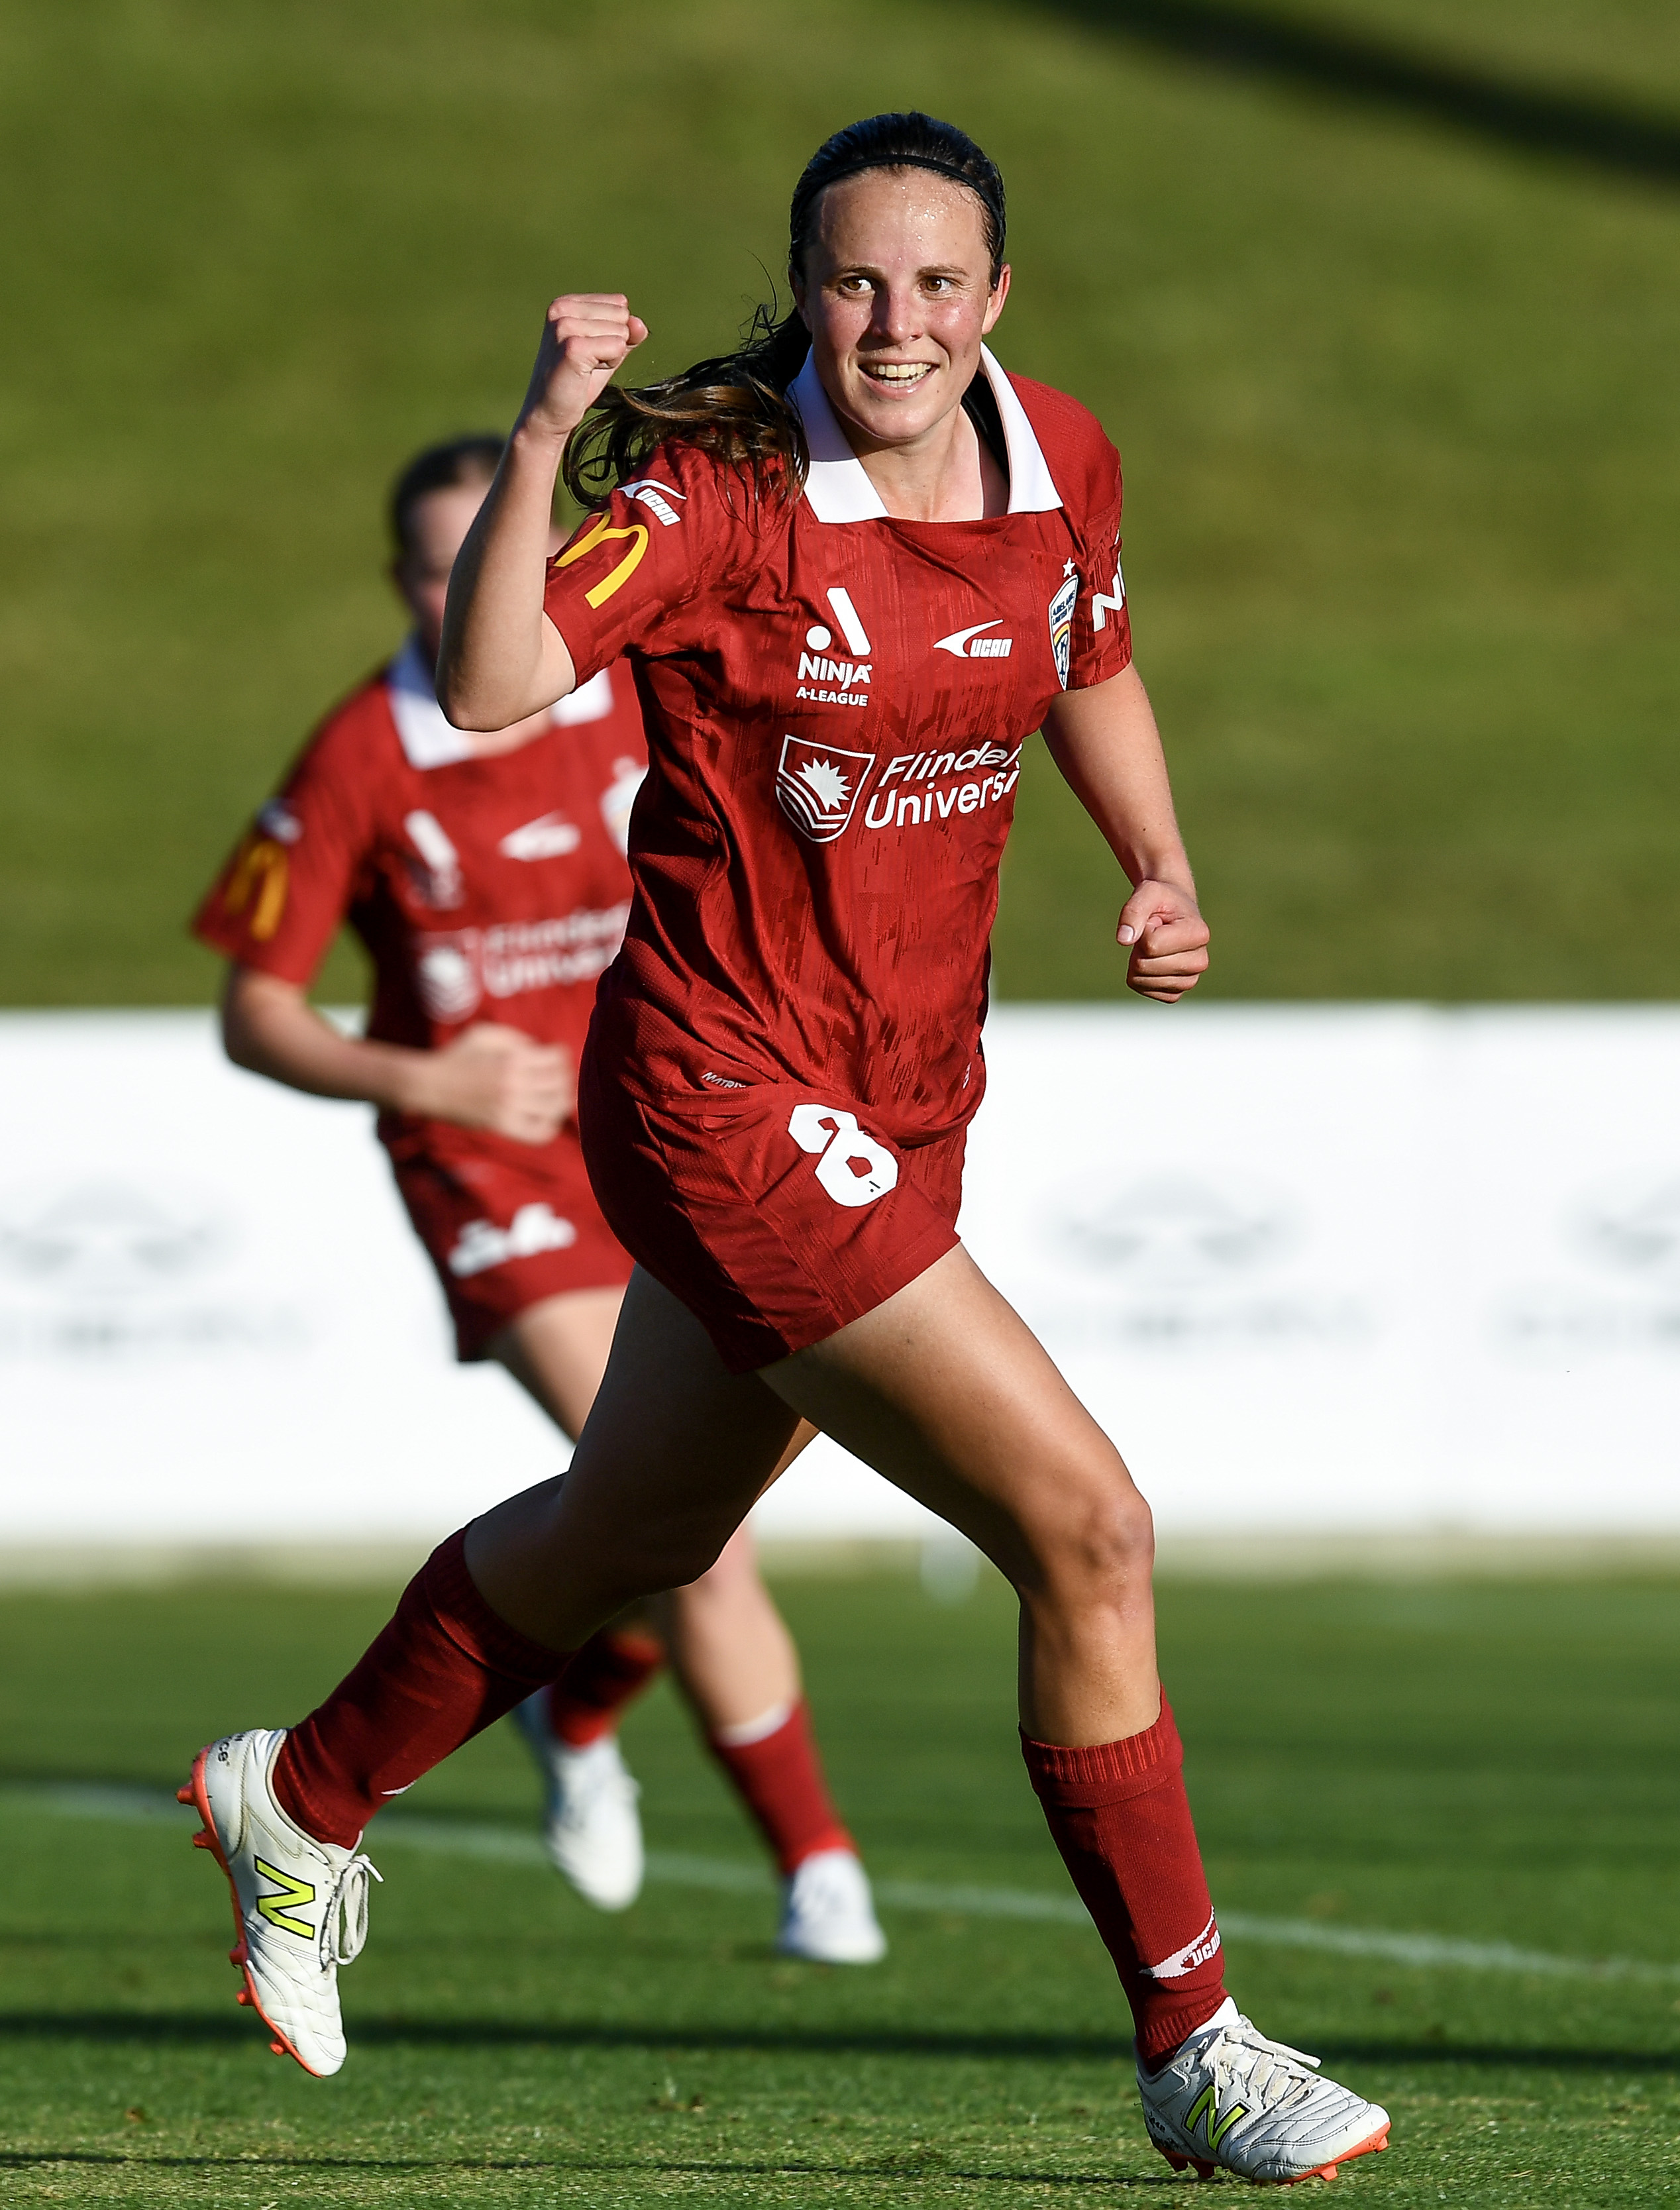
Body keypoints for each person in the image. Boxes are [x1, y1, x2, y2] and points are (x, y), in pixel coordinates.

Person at [180, 113, 1391, 2184]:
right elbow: (489, 678)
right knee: (1089, 1531)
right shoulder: (724, 499)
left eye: (937, 284)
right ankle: (1196, 2045)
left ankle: (300, 1794)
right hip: (719, 1095)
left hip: (904, 1100)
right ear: (807, 290)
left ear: (996, 296)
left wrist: (1162, 863)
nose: (896, 323)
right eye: (855, 282)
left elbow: (1091, 658)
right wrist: (545, 430)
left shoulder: (1062, 458)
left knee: (629, 1533)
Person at [187, 433, 886, 1968]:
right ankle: (818, 1868)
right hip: (494, 1177)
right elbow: (255, 1013)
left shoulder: (631, 677)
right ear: (398, 583)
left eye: (491, 560)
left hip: (675, 1134)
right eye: (438, 571)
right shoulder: (362, 753)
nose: (467, 595)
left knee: (673, 1505)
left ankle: (574, 1702)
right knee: (685, 1523)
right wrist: (425, 1080)